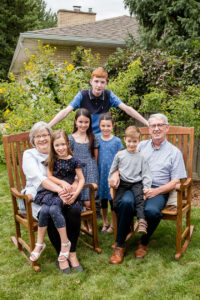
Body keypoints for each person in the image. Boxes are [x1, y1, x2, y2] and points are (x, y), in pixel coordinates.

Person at [109, 113, 187, 264]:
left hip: (158, 189)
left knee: (152, 211)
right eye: (153, 126)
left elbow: (176, 180)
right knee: (125, 202)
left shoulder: (174, 152)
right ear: (149, 129)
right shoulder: (141, 145)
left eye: (160, 125)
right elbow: (123, 159)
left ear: (167, 128)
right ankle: (119, 245)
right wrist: (116, 174)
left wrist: (155, 191)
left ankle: (144, 241)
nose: (156, 129)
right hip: (135, 185)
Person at [21, 122, 83, 273]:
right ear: (33, 139)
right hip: (39, 195)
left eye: (45, 135)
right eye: (38, 136)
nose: (42, 139)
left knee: (74, 211)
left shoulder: (58, 151)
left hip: (65, 194)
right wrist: (61, 190)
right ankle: (61, 256)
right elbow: (39, 179)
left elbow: (75, 175)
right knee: (50, 212)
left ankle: (72, 253)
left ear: (51, 137)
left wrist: (73, 190)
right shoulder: (29, 154)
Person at [48, 67, 148, 134]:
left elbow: (127, 109)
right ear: (91, 81)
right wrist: (48, 126)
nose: (99, 85)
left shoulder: (109, 96)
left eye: (102, 82)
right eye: (96, 81)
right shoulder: (82, 95)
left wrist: (147, 123)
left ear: (106, 84)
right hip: (85, 136)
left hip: (102, 137)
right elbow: (65, 111)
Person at [109, 125, 152, 237]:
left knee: (139, 200)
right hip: (123, 182)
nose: (132, 144)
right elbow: (113, 170)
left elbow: (146, 174)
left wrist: (146, 187)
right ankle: (125, 225)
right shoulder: (120, 155)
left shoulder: (141, 157)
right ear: (125, 140)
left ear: (139, 141)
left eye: (134, 141)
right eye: (129, 141)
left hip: (136, 183)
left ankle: (142, 221)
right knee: (115, 203)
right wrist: (111, 183)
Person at [68, 109, 99, 230]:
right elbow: (69, 158)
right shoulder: (71, 139)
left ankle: (90, 224)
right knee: (80, 198)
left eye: (86, 122)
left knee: (88, 201)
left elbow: (95, 157)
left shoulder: (92, 137)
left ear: (90, 123)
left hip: (91, 170)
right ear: (75, 122)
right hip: (77, 171)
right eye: (80, 122)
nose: (83, 125)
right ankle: (84, 224)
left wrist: (93, 171)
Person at [97, 112, 124, 234]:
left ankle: (113, 224)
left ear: (113, 126)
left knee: (112, 200)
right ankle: (105, 222)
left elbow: (121, 159)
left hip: (112, 174)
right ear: (99, 126)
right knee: (102, 199)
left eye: (108, 126)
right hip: (101, 174)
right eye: (103, 126)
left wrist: (116, 173)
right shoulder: (96, 139)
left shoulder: (117, 141)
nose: (105, 128)